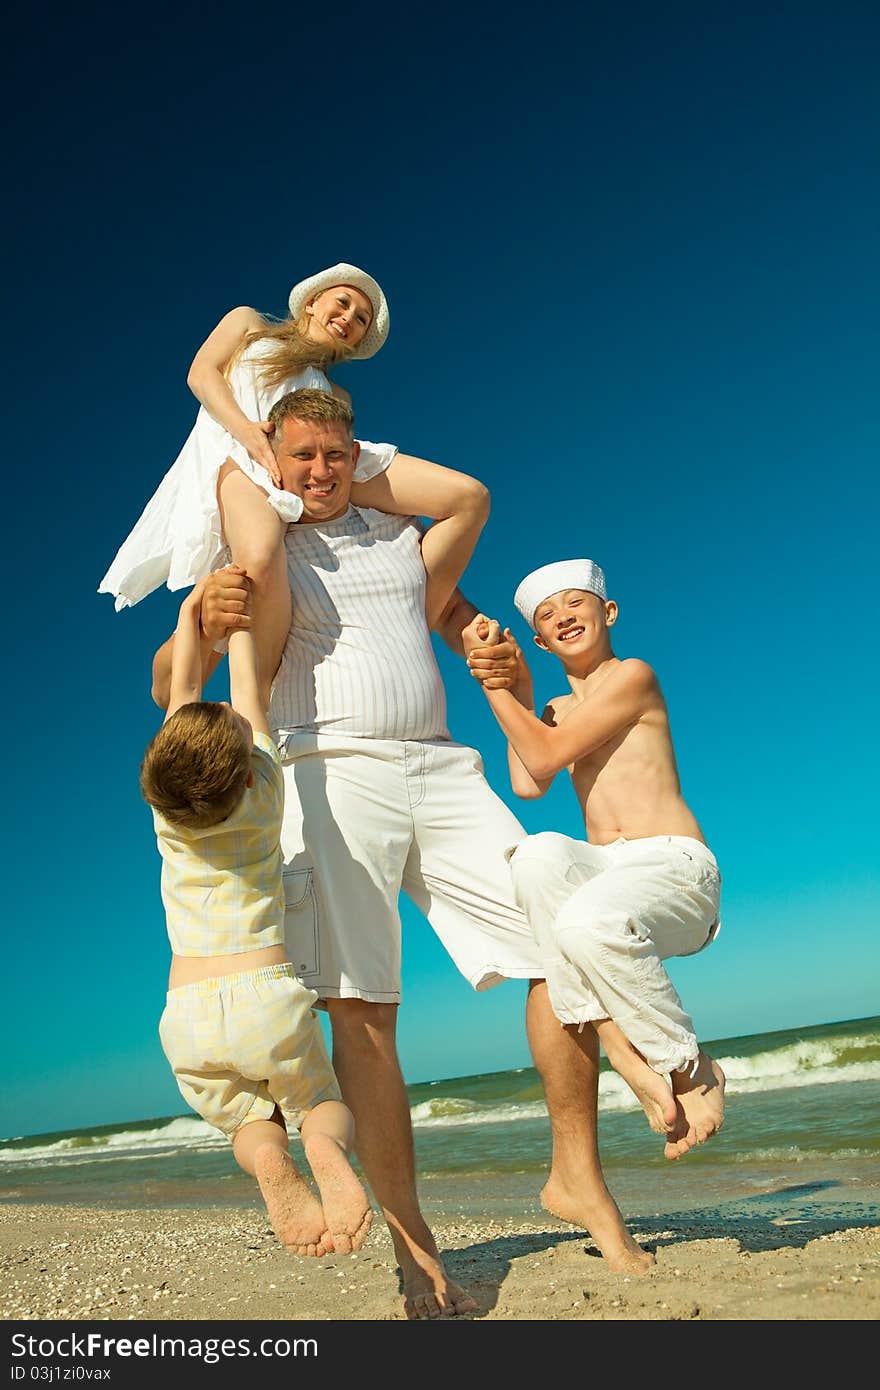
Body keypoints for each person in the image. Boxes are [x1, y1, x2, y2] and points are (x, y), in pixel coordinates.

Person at [151, 391, 656, 1318]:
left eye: (337, 455)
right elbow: (166, 686)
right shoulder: (259, 550)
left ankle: (575, 1176)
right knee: (364, 1016)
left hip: (443, 765)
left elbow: (467, 494)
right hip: (327, 769)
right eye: (300, 455)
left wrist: (385, 478)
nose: (320, 472)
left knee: (566, 940)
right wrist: (203, 609)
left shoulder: (401, 542)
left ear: (359, 453)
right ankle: (415, 1256)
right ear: (272, 456)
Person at [99, 262, 477, 690]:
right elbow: (201, 374)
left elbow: (328, 457)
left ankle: (411, 623)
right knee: (253, 565)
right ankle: (245, 693)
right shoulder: (247, 324)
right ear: (313, 302)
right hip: (239, 458)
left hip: (299, 471)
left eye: (360, 320)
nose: (349, 318)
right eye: (344, 302)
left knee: (466, 497)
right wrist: (248, 433)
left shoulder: (337, 395)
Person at [461, 558, 725, 1160]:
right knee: (534, 855)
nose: (563, 617)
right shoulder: (553, 711)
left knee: (584, 922)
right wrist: (522, 694)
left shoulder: (632, 675)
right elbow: (529, 784)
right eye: (547, 615)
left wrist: (493, 686)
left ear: (608, 612)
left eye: (575, 604)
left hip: (675, 868)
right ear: (538, 639)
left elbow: (546, 758)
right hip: (609, 872)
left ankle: (689, 1064)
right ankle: (619, 1045)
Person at [140, 576, 372, 1257]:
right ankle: (325, 1152)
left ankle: (272, 1166)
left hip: (185, 1012)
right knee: (318, 1105)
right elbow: (248, 688)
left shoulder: (170, 813)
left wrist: (189, 614)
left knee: (249, 1124)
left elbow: (183, 695)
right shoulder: (263, 794)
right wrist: (230, 616)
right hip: (264, 997)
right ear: (245, 773)